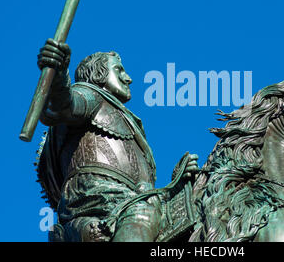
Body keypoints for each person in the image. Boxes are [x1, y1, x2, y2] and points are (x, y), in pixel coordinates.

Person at [36, 38, 198, 242]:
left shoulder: (128, 120)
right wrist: (58, 74)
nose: (128, 78)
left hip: (130, 202)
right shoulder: (91, 95)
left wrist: (176, 184)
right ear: (98, 75)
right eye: (119, 70)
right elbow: (59, 108)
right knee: (142, 214)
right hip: (96, 205)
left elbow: (140, 189)